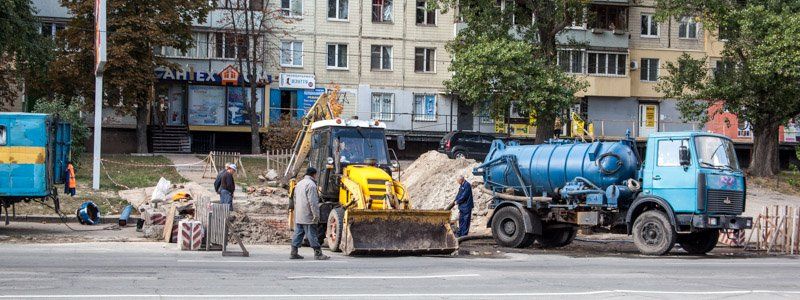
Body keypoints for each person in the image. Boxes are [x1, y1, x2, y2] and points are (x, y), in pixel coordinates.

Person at [290, 167, 329, 260]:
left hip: (299, 213)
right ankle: (318, 254)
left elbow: (295, 199)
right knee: (312, 234)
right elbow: (313, 202)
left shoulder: (299, 184)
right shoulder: (311, 185)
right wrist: (316, 215)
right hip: (308, 214)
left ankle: (293, 252)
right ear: (314, 174)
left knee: (298, 233)